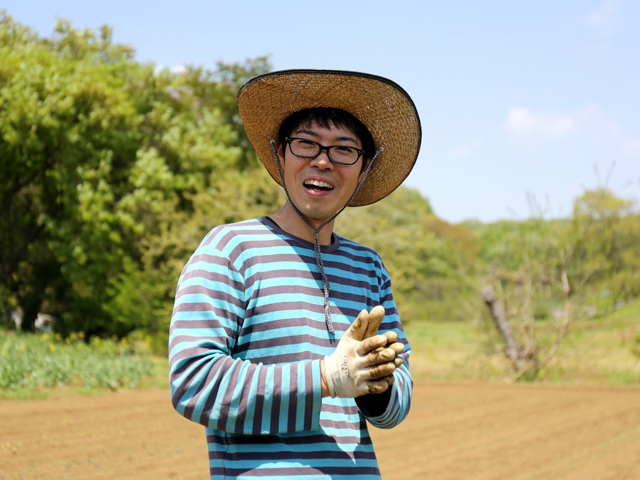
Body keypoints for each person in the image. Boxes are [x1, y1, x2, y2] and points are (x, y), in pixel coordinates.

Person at [169, 69, 422, 479]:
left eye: (344, 150)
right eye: (305, 143)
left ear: (364, 169)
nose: (322, 161)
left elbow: (398, 399)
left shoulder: (368, 267)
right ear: (279, 154)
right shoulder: (232, 249)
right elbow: (193, 382)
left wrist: (376, 383)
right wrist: (325, 378)